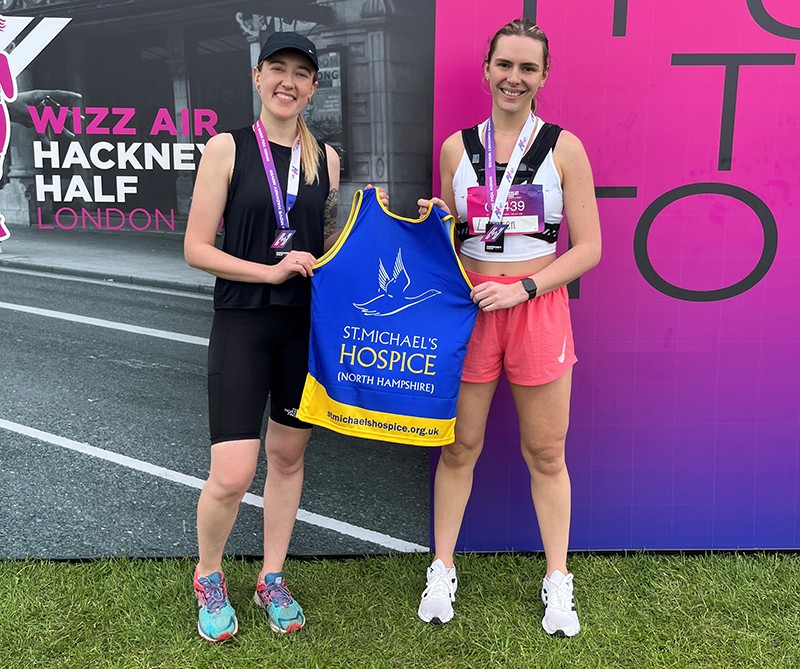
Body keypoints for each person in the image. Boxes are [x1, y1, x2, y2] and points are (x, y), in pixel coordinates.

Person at [184, 31, 386, 641]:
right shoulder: (226, 148)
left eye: (301, 73)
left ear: (313, 87)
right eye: (277, 69)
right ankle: (209, 575)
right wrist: (268, 270)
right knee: (233, 471)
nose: (288, 82)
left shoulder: (326, 158)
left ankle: (272, 576)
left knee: (288, 458)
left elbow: (332, 245)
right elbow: (196, 249)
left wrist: (416, 227)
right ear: (257, 76)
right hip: (243, 320)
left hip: (304, 326)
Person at [415, 18, 601, 637]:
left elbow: (590, 248)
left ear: (544, 77)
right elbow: (448, 235)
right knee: (458, 447)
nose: (514, 78)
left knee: (546, 452)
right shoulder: (454, 148)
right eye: (505, 65)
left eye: (527, 68)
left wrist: (523, 287)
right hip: (470, 313)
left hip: (536, 308)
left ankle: (557, 581)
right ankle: (442, 568)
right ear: (487, 69)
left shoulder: (563, 147)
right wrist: (435, 221)